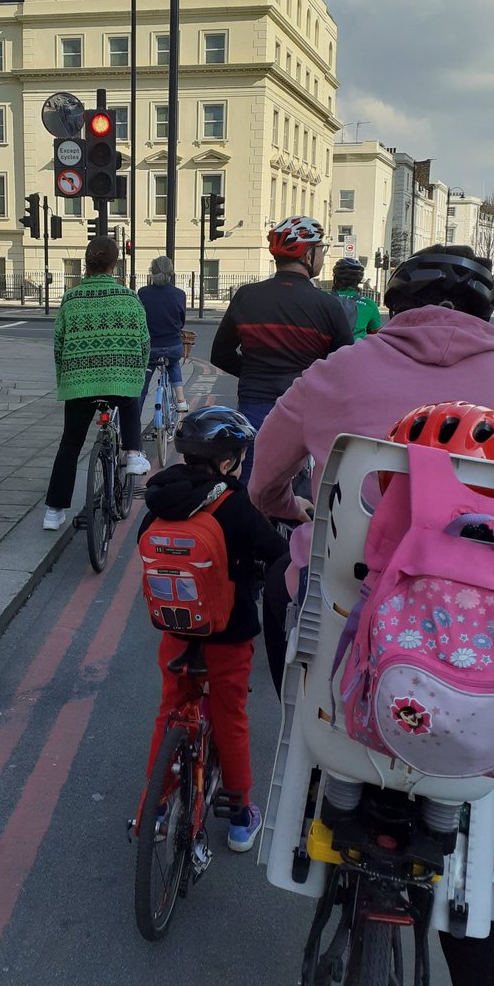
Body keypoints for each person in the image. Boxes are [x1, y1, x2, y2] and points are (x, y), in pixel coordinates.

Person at [247, 243, 494, 986]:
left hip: (343, 630)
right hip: (477, 647)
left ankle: (320, 736)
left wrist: (297, 515)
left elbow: (264, 482)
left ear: (392, 303)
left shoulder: (338, 371)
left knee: (279, 592)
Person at [140, 407, 288, 852]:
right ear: (226, 463)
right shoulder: (232, 502)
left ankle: (157, 806)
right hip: (228, 633)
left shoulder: (162, 500)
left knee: (170, 711)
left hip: (177, 631)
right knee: (230, 718)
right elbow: (275, 550)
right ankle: (242, 816)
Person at [210, 215, 353, 485]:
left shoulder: (246, 295)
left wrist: (253, 373)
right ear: (307, 255)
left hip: (255, 405)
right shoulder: (327, 305)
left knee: (253, 486)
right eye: (321, 249)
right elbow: (345, 366)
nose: (322, 255)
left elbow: (220, 354)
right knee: (306, 490)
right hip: (306, 408)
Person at [43, 236, 151, 531]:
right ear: (115, 265)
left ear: (87, 264)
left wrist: (65, 380)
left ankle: (53, 512)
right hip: (120, 383)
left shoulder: (71, 299)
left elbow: (59, 345)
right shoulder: (129, 299)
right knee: (130, 399)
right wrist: (136, 375)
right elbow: (144, 345)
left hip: (79, 386)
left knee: (69, 445)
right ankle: (132, 454)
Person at [137, 255, 188, 414]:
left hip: (150, 347)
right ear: (171, 272)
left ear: (152, 272)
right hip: (173, 346)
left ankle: (135, 414)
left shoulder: (143, 293)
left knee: (145, 375)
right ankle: (181, 401)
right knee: (173, 364)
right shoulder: (179, 294)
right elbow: (181, 321)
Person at [331, 256, 383, 339]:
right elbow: (377, 334)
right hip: (356, 350)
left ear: (335, 278)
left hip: (326, 350)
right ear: (359, 280)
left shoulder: (322, 298)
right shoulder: (369, 304)